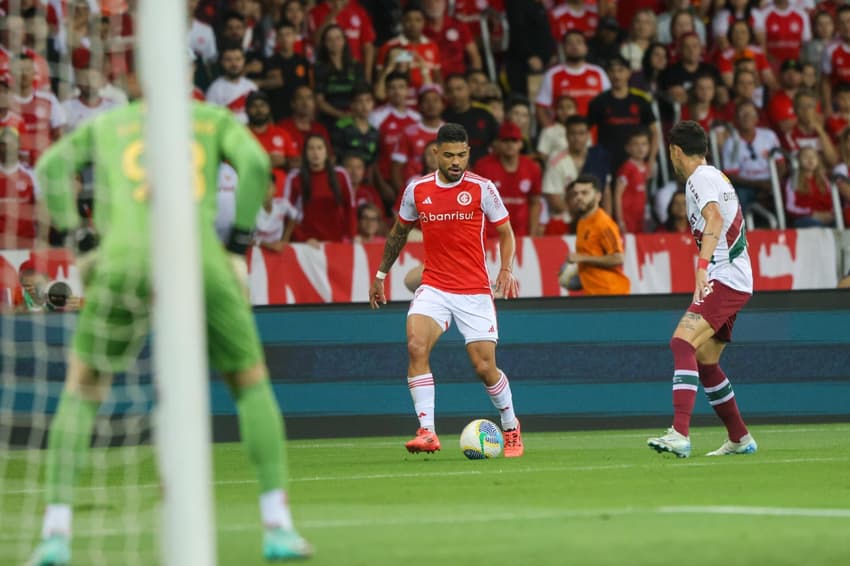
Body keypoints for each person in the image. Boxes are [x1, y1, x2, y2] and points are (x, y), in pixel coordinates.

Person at [29, 101, 312, 563]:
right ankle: (277, 526)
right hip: (199, 256)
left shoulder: (109, 122)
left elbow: (51, 165)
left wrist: (80, 242)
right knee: (249, 383)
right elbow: (258, 163)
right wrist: (238, 245)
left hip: (124, 259)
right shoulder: (210, 119)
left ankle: (55, 534)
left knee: (83, 388)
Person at [368, 123, 524, 458]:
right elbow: (398, 232)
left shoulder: (483, 189)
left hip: (474, 290)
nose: (456, 161)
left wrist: (506, 268)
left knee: (484, 367)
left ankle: (510, 426)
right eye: (449, 154)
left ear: (469, 153)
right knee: (415, 345)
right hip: (434, 286)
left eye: (462, 155)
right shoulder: (418, 190)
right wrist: (381, 273)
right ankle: (427, 432)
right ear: (436, 153)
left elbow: (507, 232)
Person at [647, 120, 757, 459]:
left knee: (682, 342)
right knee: (706, 361)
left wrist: (702, 266)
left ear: (676, 152)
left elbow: (713, 219)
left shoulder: (698, 178)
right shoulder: (717, 176)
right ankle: (740, 438)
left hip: (724, 277)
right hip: (735, 276)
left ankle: (680, 433)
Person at [562, 174, 630, 295]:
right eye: (576, 193)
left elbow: (618, 258)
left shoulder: (603, 223)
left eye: (585, 193)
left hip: (611, 294)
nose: (579, 197)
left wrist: (582, 258)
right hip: (594, 293)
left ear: (598, 196)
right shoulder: (582, 221)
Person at [473, 120, 542, 238]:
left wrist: (533, 231)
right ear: (497, 143)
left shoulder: (532, 168)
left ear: (520, 144)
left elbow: (535, 202)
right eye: (505, 140)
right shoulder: (483, 167)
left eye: (514, 141)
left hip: (521, 234)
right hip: (490, 235)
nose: (510, 144)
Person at [286, 133, 356, 243]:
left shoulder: (341, 175)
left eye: (319, 148)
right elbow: (287, 213)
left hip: (336, 242)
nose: (315, 153)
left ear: (326, 152)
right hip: (307, 244)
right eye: (311, 148)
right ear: (305, 153)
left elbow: (350, 208)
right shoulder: (295, 178)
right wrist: (304, 239)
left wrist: (352, 236)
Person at [784, 146, 836, 228]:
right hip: (804, 218)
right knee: (817, 226)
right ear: (798, 161)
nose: (810, 159)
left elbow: (833, 202)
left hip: (826, 216)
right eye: (805, 157)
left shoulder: (824, 180)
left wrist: (830, 214)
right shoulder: (792, 180)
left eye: (813, 156)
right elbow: (790, 207)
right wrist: (811, 213)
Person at [205, 44, 257, 124]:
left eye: (238, 59)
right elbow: (211, 120)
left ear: (244, 61)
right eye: (228, 60)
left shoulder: (251, 86)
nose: (234, 64)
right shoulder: (214, 89)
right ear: (222, 62)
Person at [613, 128, 651, 234]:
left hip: (639, 215)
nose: (640, 148)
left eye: (644, 144)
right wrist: (620, 221)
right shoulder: (627, 168)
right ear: (628, 148)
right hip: (627, 217)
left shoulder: (646, 167)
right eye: (636, 144)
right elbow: (617, 194)